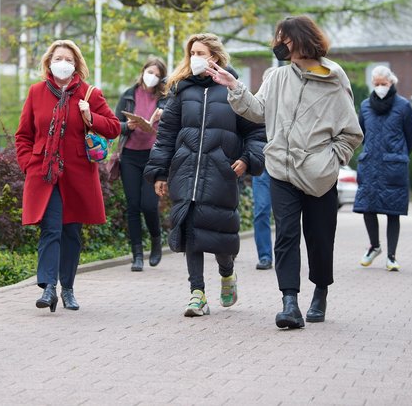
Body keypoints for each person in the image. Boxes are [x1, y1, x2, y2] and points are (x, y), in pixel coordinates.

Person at [209, 15, 363, 329]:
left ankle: (320, 292)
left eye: (283, 38)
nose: (278, 44)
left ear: (300, 40)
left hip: (319, 175)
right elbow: (257, 111)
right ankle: (289, 302)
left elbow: (351, 133)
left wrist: (330, 160)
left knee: (320, 239)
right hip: (281, 169)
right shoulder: (278, 78)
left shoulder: (334, 78)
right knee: (287, 237)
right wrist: (235, 86)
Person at [144, 33, 265, 317]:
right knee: (190, 231)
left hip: (220, 172)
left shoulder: (234, 89)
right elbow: (166, 135)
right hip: (185, 170)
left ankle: (227, 272)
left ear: (216, 57)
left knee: (220, 234)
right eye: (192, 53)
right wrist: (160, 172)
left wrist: (247, 159)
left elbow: (256, 132)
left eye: (201, 52)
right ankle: (196, 294)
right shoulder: (180, 89)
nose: (195, 58)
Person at [15, 39, 121, 312]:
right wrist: (29, 163)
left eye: (69, 59)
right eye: (58, 58)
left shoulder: (89, 94)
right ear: (49, 62)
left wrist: (90, 117)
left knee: (71, 231)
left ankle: (68, 289)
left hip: (77, 174)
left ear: (77, 65)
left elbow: (113, 128)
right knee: (50, 228)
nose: (63, 63)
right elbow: (24, 135)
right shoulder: (36, 92)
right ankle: (48, 288)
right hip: (44, 174)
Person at [353, 65, 412, 272]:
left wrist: (399, 154)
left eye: (384, 83)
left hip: (393, 166)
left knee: (393, 211)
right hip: (370, 164)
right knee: (367, 207)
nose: (380, 87)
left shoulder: (403, 106)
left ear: (392, 83)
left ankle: (392, 256)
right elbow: (360, 132)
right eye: (377, 84)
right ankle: (374, 246)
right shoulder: (365, 106)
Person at [114, 57, 169, 271]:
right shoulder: (129, 95)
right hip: (129, 155)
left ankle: (156, 240)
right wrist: (127, 126)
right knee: (133, 206)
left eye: (157, 74)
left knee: (148, 204)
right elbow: (113, 124)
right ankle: (136, 254)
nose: (152, 76)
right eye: (149, 71)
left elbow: (174, 123)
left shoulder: (165, 98)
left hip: (153, 157)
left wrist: (162, 117)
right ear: (143, 71)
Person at [252, 170, 274, 270]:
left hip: (284, 165)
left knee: (285, 215)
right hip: (263, 167)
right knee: (261, 210)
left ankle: (288, 257)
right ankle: (265, 256)